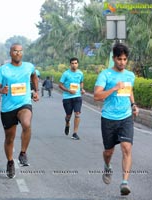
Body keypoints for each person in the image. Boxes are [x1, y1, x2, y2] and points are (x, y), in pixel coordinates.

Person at [94, 43, 138, 196]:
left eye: (125, 59)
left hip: (125, 117)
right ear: (114, 59)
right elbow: (97, 96)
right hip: (108, 118)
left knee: (127, 147)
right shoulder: (105, 75)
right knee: (108, 151)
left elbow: (129, 90)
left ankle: (124, 182)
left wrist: (133, 105)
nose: (122, 62)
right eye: (119, 59)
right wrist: (113, 88)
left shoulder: (130, 75)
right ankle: (107, 166)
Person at [0, 43, 39, 178]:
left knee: (26, 124)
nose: (18, 53)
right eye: (15, 51)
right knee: (9, 138)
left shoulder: (29, 66)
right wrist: (2, 90)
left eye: (20, 51)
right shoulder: (3, 70)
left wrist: (35, 91)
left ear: (22, 53)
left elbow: (34, 76)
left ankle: (23, 153)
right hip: (8, 108)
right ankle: (10, 162)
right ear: (10, 53)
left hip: (24, 103)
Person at [59, 57, 85, 140]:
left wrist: (81, 89)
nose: (74, 65)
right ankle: (67, 123)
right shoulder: (66, 74)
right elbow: (60, 85)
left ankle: (75, 133)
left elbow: (81, 82)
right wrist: (68, 90)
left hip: (77, 96)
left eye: (75, 63)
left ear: (78, 64)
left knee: (77, 113)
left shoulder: (80, 73)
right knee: (68, 115)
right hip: (67, 97)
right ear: (70, 64)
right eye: (72, 63)